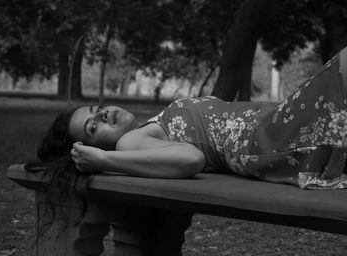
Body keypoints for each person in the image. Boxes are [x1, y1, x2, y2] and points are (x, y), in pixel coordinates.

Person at [28, 46, 347, 200]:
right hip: (264, 139)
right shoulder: (129, 143)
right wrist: (103, 160)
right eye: (93, 127)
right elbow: (190, 158)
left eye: (97, 109)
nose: (102, 115)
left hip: (275, 126)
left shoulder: (146, 129)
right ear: (96, 145)